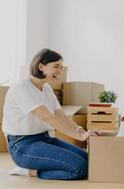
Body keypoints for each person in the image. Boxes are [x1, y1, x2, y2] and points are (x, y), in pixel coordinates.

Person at [2, 48, 100, 180]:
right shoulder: (21, 87)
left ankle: (39, 166)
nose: (60, 71)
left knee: (87, 160)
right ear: (41, 66)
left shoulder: (46, 88)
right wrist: (78, 136)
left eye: (61, 67)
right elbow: (48, 117)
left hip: (44, 139)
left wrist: (80, 130)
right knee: (79, 168)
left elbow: (60, 115)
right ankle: (30, 171)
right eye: (56, 66)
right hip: (22, 145)